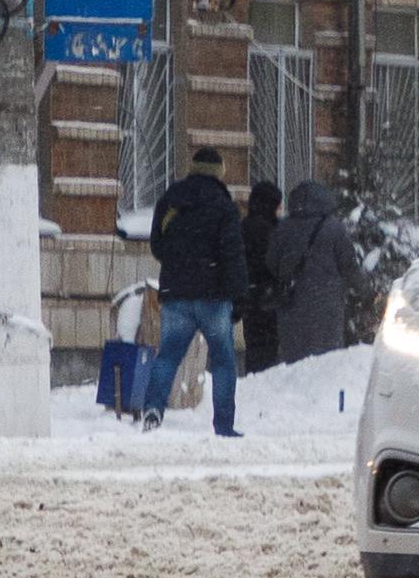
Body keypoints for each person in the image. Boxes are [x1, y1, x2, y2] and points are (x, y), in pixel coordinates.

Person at [146, 147, 249, 438]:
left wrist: (180, 263)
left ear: (193, 168)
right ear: (219, 173)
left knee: (167, 357)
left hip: (175, 293)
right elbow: (233, 255)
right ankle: (224, 426)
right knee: (223, 362)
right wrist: (238, 296)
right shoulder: (224, 206)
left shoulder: (171, 200)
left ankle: (153, 411)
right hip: (214, 298)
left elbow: (157, 245)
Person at [272, 176, 359, 360]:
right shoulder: (335, 228)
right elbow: (349, 265)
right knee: (326, 360)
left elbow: (272, 262)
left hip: (292, 305)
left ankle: (295, 388)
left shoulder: (284, 227)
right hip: (327, 305)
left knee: (295, 360)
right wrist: (363, 290)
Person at [238, 178, 287, 374]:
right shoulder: (272, 231)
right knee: (268, 348)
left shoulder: (244, 226)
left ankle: (254, 381)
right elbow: (275, 265)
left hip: (248, 297)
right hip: (268, 297)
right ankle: (263, 383)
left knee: (253, 346)